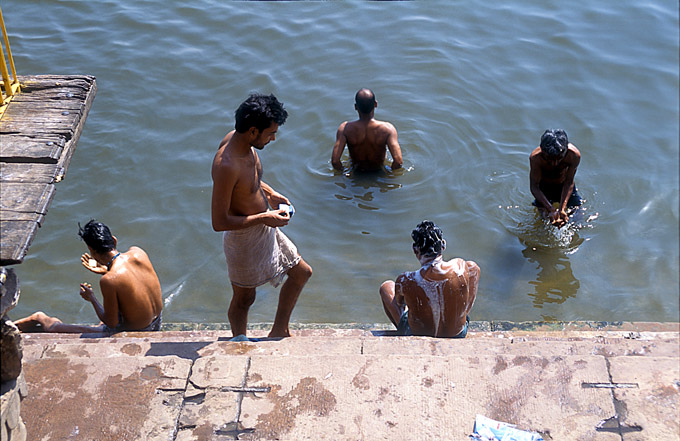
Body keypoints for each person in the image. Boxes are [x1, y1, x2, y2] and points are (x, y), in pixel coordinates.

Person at [211, 93, 312, 339]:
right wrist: (264, 218)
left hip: (266, 226)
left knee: (302, 272)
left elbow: (249, 181)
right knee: (245, 298)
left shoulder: (241, 142)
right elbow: (219, 222)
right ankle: (239, 339)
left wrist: (271, 193)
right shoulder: (226, 165)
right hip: (243, 237)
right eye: (270, 133)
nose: (274, 138)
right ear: (253, 131)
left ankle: (279, 329)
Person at [14, 220, 163, 333]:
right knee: (108, 313)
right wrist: (106, 270)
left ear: (91, 250)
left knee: (49, 324)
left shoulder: (109, 280)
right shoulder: (138, 252)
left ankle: (20, 325)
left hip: (136, 332)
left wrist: (91, 298)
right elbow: (133, 284)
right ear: (114, 240)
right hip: (157, 323)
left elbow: (111, 323)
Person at [379, 221, 480, 338]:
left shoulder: (405, 279)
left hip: (417, 335)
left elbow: (400, 303)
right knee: (473, 267)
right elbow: (473, 271)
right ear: (443, 245)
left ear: (415, 250)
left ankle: (404, 335)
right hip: (458, 333)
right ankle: (462, 316)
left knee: (386, 287)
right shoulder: (460, 266)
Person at [331, 88, 403, 171]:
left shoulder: (345, 129)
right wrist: (389, 174)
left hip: (356, 172)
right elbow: (398, 162)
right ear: (375, 104)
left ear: (355, 107)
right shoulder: (388, 129)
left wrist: (344, 174)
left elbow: (335, 161)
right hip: (379, 171)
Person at [529, 129, 582, 227]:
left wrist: (562, 209)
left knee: (577, 218)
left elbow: (569, 181)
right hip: (544, 188)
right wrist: (551, 209)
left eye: (559, 158)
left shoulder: (573, 155)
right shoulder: (536, 158)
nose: (555, 164)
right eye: (549, 159)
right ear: (542, 151)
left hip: (563, 185)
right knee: (544, 220)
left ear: (565, 150)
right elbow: (534, 186)